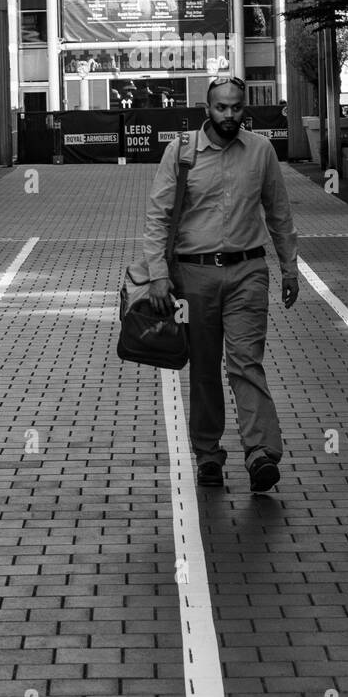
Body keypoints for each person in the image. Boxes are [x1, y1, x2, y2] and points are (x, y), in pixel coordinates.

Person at [141, 77, 299, 493]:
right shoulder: (181, 153)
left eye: (236, 107)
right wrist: (158, 274)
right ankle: (208, 455)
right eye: (221, 107)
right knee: (205, 367)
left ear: (245, 107)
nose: (229, 115)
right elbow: (157, 217)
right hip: (194, 276)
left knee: (245, 361)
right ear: (206, 109)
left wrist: (290, 267)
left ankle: (260, 452)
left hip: (248, 270)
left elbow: (279, 212)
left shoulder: (261, 151)